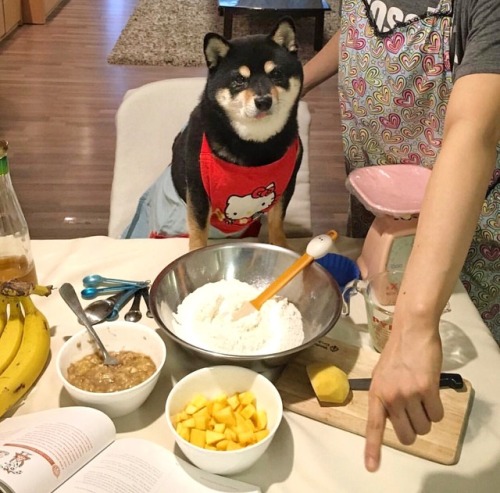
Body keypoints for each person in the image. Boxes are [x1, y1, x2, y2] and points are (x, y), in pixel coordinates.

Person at [302, 0, 500, 473]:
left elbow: (475, 130)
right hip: (380, 199)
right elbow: (363, 22)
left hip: (460, 244)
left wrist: (415, 324)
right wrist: (297, 80)